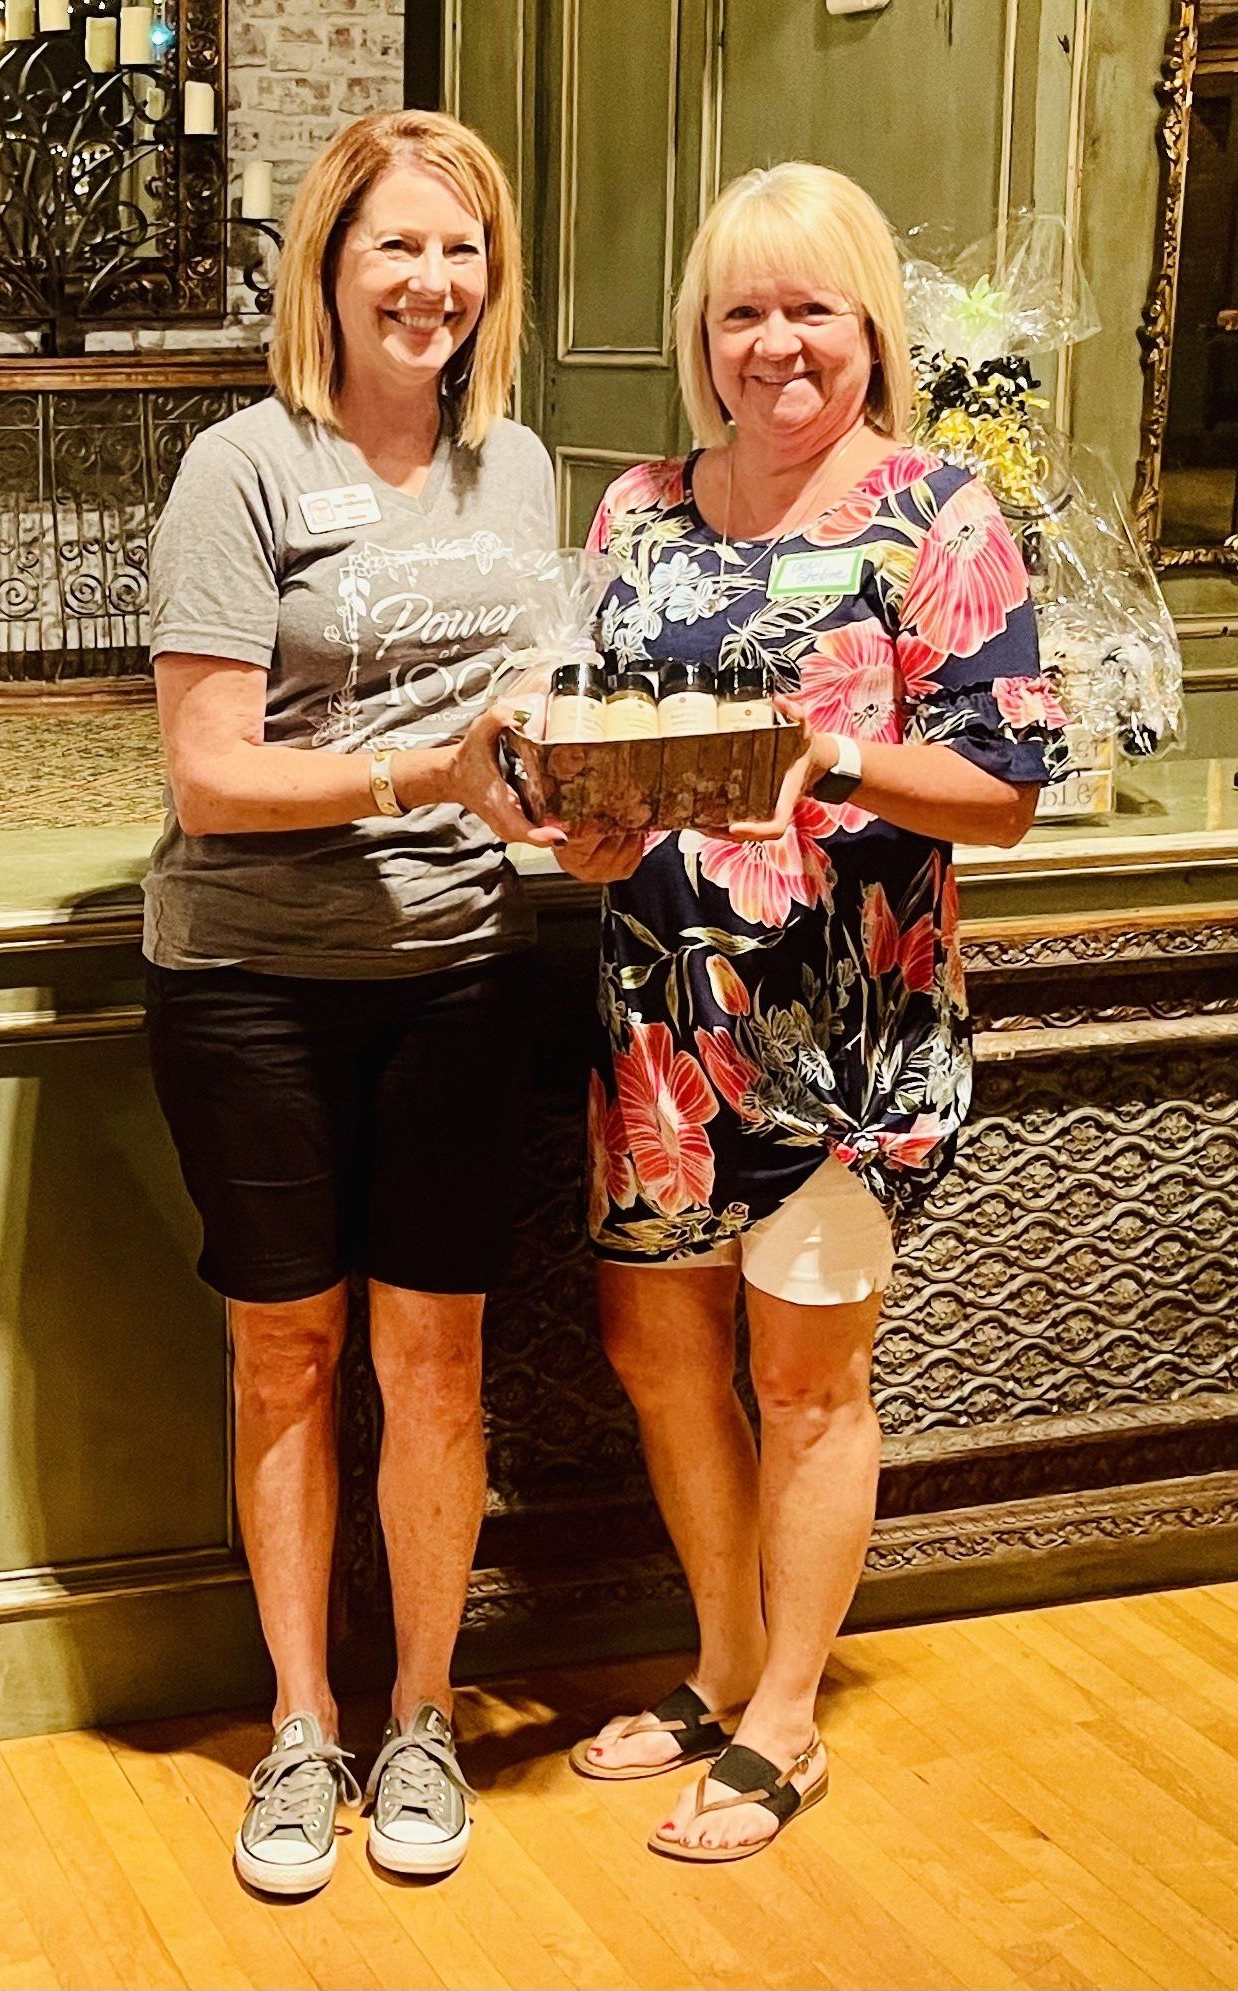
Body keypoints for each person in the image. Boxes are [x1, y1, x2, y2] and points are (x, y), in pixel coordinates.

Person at [561, 162, 1067, 1862]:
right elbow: (603, 735)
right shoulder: (639, 510)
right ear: (699, 334)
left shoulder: (940, 516)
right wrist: (582, 824)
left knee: (805, 1378)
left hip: (846, 1035)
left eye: (811, 310)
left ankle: (789, 1715)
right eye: (741, 313)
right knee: (659, 1357)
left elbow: (1004, 791)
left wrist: (834, 754)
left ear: (872, 327)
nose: (775, 345)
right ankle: (720, 1664)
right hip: (658, 1022)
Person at [143, 108, 560, 1892]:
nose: (431, 282)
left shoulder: (517, 466)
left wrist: (581, 799)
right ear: (329, 263)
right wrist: (426, 776)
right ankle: (303, 1725)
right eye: (398, 244)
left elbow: (526, 724)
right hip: (252, 978)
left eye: (462, 250)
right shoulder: (239, 468)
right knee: (288, 1353)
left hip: (461, 969)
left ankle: (422, 1715)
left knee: (436, 1359)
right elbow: (209, 777)